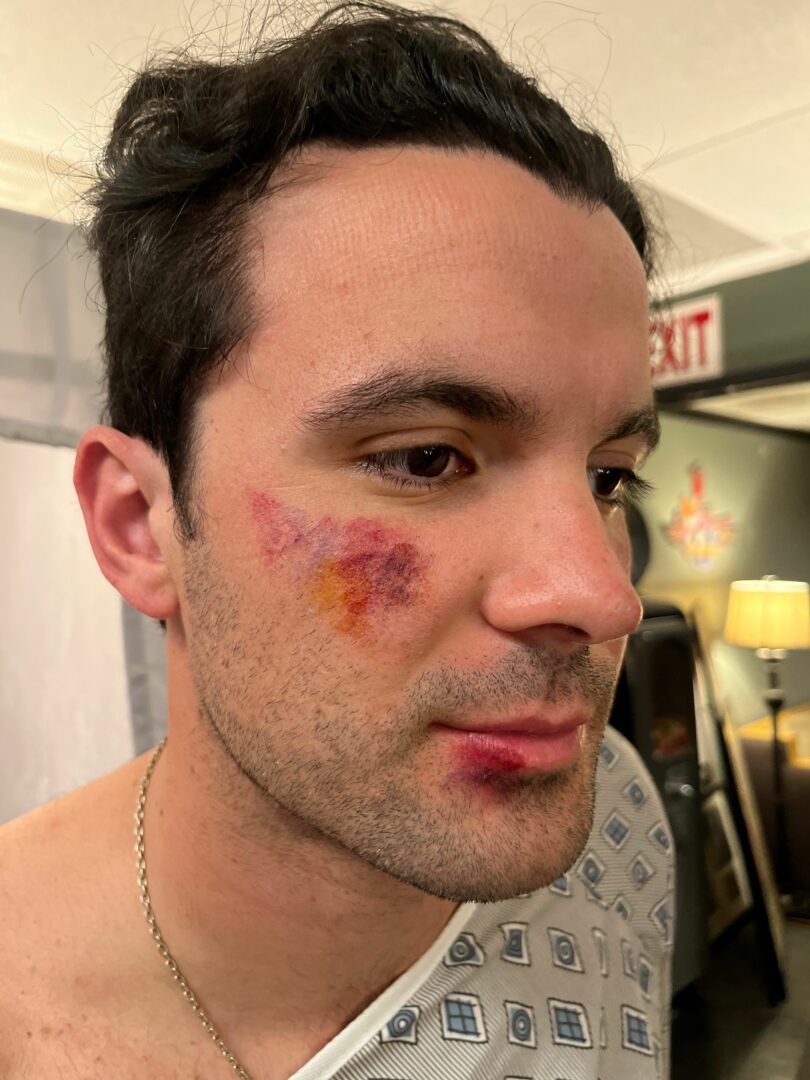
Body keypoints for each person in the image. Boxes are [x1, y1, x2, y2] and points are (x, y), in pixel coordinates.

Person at [0, 3, 675, 1077]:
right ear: (139, 527)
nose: (603, 597)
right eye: (426, 458)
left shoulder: (620, 820)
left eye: (607, 476)